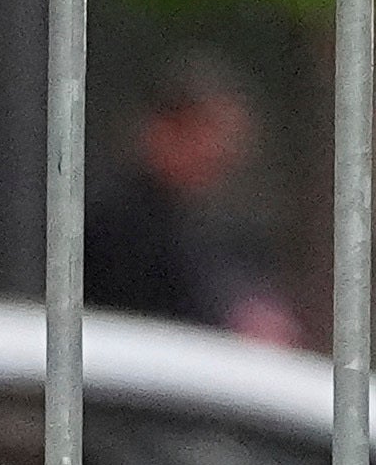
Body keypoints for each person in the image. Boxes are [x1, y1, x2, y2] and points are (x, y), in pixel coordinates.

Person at [82, 58, 299, 341]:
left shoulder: (200, 224)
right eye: (205, 136)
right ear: (164, 131)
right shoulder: (120, 225)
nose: (219, 154)